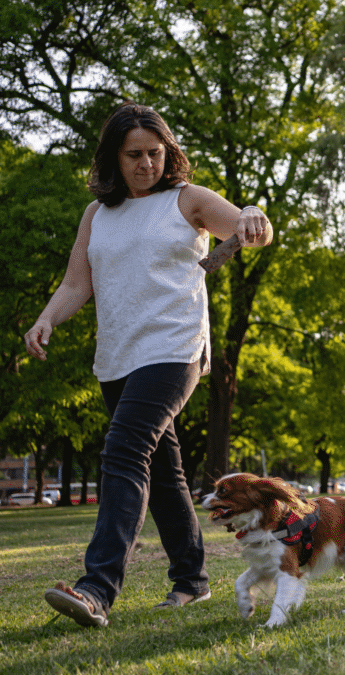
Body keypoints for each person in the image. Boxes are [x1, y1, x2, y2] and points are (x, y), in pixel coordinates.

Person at [24, 102, 273, 627]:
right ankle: (192, 581)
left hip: (174, 347)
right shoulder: (97, 214)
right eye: (133, 154)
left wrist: (254, 216)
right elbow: (76, 283)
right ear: (114, 157)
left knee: (123, 449)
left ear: (169, 152)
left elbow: (254, 230)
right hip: (118, 354)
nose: (145, 164)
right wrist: (47, 318)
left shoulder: (188, 201)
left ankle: (96, 589)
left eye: (155, 153)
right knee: (163, 472)